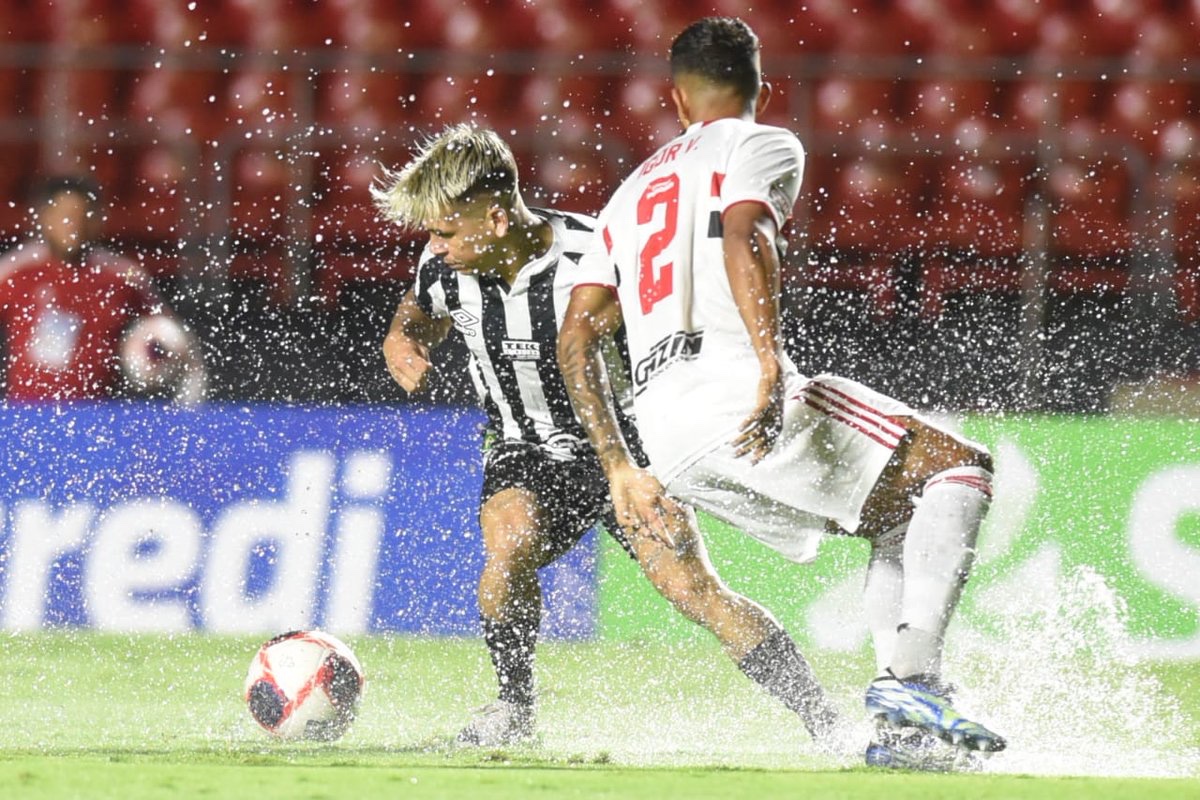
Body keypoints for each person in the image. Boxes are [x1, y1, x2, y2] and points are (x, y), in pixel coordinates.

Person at [557, 17, 1006, 771]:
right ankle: (915, 683)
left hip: (669, 443)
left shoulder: (628, 193)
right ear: (763, 85)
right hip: (735, 394)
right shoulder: (760, 142)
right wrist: (769, 366)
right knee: (960, 469)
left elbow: (577, 337)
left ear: (675, 99)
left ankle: (903, 726)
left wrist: (618, 465)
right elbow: (744, 234)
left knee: (897, 519)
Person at [372, 124, 846, 750]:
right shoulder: (444, 267)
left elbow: (684, 327)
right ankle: (513, 709)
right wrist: (402, 341)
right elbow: (418, 312)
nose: (435, 247)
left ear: (493, 218)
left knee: (695, 593)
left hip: (630, 457)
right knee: (506, 548)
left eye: (445, 232)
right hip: (526, 450)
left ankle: (830, 724)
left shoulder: (597, 258)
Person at [0, 175, 205, 404]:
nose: (73, 225)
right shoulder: (17, 272)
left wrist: (187, 406)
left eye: (81, 216)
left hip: (98, 417)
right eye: (64, 215)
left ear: (97, 219)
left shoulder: (122, 277)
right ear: (45, 218)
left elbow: (173, 338)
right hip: (26, 414)